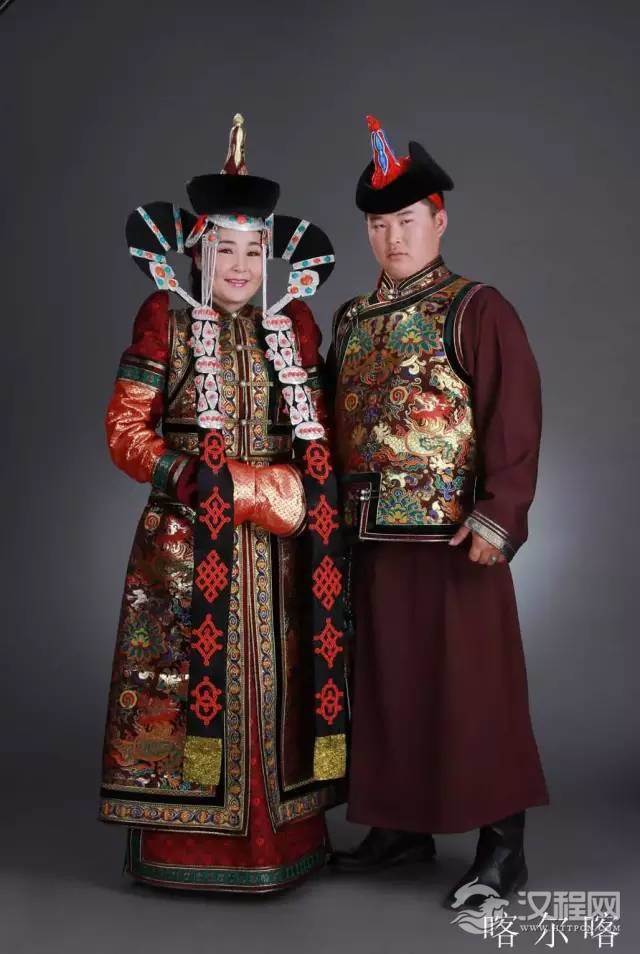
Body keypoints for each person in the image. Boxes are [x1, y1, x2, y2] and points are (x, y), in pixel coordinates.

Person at [99, 114, 348, 893]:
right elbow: (124, 432)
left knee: (279, 684)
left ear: (267, 256)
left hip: (277, 544)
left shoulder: (291, 330)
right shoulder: (167, 323)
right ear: (198, 252)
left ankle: (287, 840)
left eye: (251, 250)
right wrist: (193, 479)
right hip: (185, 544)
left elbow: (320, 434)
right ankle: (184, 849)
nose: (238, 266)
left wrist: (300, 488)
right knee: (184, 684)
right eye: (224, 250)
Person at [328, 116, 549, 908]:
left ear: (439, 220)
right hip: (368, 537)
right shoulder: (351, 319)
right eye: (378, 225)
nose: (392, 238)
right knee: (386, 688)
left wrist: (499, 515)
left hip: (456, 538)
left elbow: (513, 415)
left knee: (474, 690)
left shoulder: (477, 307)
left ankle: (503, 849)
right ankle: (398, 826)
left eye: (407, 220)